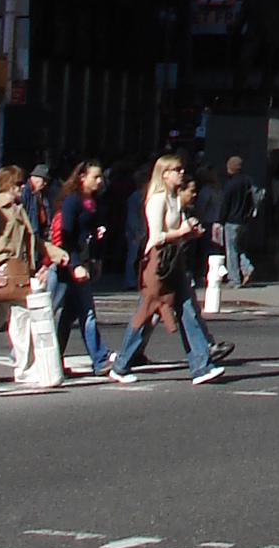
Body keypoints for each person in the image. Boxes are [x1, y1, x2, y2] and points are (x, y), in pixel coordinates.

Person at [110, 156, 223, 385]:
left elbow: (177, 231)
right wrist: (181, 231)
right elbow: (156, 236)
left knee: (187, 310)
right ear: (164, 174)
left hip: (174, 262)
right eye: (176, 170)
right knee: (148, 311)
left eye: (182, 169)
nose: (181, 173)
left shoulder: (174, 199)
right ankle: (120, 364)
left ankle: (201, 366)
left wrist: (190, 232)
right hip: (158, 263)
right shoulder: (157, 199)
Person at [0, 162, 48, 389]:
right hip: (3, 272)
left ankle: (25, 368)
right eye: (18, 183)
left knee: (18, 319)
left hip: (18, 273)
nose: (22, 187)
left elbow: (33, 241)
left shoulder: (18, 208)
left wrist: (56, 255)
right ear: (8, 185)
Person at [50, 160, 111, 376]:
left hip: (83, 263)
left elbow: (90, 234)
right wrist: (75, 265)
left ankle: (53, 358)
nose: (99, 181)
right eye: (95, 177)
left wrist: (95, 259)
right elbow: (66, 236)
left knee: (69, 314)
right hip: (69, 265)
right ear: (81, 177)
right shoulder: (72, 201)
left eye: (100, 177)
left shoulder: (92, 202)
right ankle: (100, 359)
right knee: (78, 312)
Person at [218, 153, 257, 290]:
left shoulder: (230, 185)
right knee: (236, 247)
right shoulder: (247, 182)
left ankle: (234, 279)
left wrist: (219, 221)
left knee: (231, 250)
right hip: (243, 220)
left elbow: (225, 205)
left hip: (231, 221)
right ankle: (246, 267)